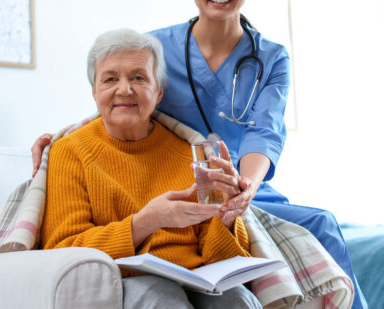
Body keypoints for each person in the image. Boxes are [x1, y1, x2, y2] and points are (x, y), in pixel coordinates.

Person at [35, 0, 367, 309]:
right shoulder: (155, 47)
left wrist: (244, 187)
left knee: (321, 223)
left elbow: (264, 133)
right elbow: (123, 98)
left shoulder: (272, 58)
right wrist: (60, 138)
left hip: (242, 181)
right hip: (184, 181)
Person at [40, 28, 261, 309]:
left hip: (198, 278)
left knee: (240, 300)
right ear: (95, 92)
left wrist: (228, 214)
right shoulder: (69, 152)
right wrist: (145, 222)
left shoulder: (189, 152)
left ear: (158, 93)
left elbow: (221, 260)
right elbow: (62, 250)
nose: (124, 89)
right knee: (161, 297)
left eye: (138, 78)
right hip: (127, 279)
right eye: (110, 79)